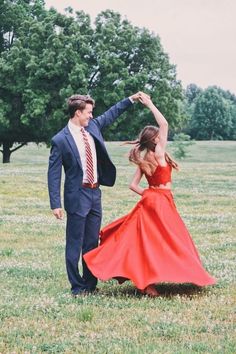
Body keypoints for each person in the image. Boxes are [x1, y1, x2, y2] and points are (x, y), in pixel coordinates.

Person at [83, 93, 216, 297]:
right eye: (158, 137)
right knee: (173, 239)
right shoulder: (159, 153)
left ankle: (146, 282)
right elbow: (164, 124)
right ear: (154, 139)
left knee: (147, 241)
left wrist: (148, 194)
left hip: (150, 199)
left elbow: (132, 185)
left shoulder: (143, 159)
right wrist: (150, 104)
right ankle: (184, 274)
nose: (161, 138)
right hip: (162, 200)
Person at [47, 92, 143, 296]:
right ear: (77, 113)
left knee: (91, 242)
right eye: (88, 112)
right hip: (76, 196)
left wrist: (131, 100)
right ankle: (77, 286)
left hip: (94, 193)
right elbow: (54, 174)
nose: (91, 116)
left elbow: (112, 113)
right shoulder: (60, 140)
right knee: (75, 243)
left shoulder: (92, 127)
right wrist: (55, 203)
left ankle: (90, 284)